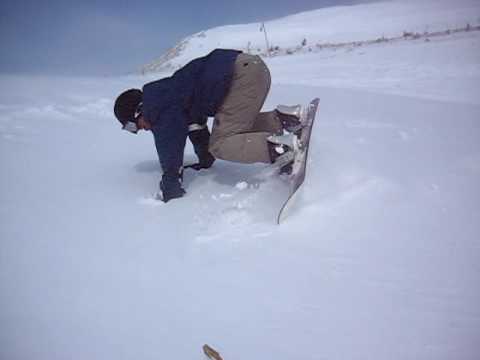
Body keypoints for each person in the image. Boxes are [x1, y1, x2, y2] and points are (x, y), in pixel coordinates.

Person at [114, 48, 303, 202]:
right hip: (251, 68)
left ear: (138, 110)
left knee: (221, 144)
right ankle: (285, 119)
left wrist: (171, 180)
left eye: (133, 126)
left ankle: (283, 149)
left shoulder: (157, 105)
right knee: (232, 130)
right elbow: (197, 129)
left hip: (239, 77)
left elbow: (169, 141)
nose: (140, 130)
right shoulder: (170, 93)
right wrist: (205, 160)